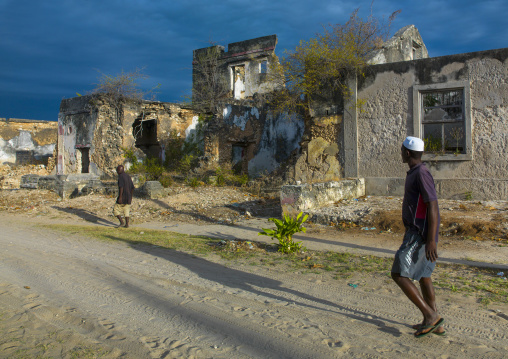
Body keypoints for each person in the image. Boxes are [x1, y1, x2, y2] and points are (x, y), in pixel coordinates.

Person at [391, 136, 445, 338]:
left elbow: (433, 205)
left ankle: (429, 315)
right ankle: (434, 321)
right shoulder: (416, 172)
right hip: (420, 232)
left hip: (419, 234)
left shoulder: (421, 173)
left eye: (401, 150)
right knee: (423, 275)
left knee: (398, 274)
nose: (400, 153)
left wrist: (430, 240)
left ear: (407, 152)